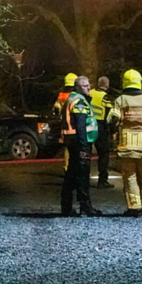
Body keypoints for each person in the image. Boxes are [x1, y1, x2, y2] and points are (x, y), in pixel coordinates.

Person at [108, 69, 142, 217]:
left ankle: (134, 207)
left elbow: (112, 121)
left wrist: (112, 139)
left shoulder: (120, 100)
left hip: (126, 146)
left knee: (130, 176)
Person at [60, 75, 102, 217]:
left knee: (71, 175)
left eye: (89, 85)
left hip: (73, 142)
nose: (89, 87)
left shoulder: (73, 98)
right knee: (82, 176)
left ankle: (66, 207)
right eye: (85, 86)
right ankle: (86, 206)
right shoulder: (79, 102)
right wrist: (84, 148)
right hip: (80, 143)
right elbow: (80, 125)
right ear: (77, 87)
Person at [89, 76, 114, 189]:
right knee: (103, 153)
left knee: (86, 153)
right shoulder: (105, 97)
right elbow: (109, 114)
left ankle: (83, 178)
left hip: (88, 124)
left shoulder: (90, 93)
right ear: (107, 85)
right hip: (101, 126)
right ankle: (102, 180)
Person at [53, 73, 78, 171]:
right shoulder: (77, 96)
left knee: (67, 148)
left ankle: (67, 167)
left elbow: (56, 110)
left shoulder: (61, 96)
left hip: (65, 126)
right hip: (75, 125)